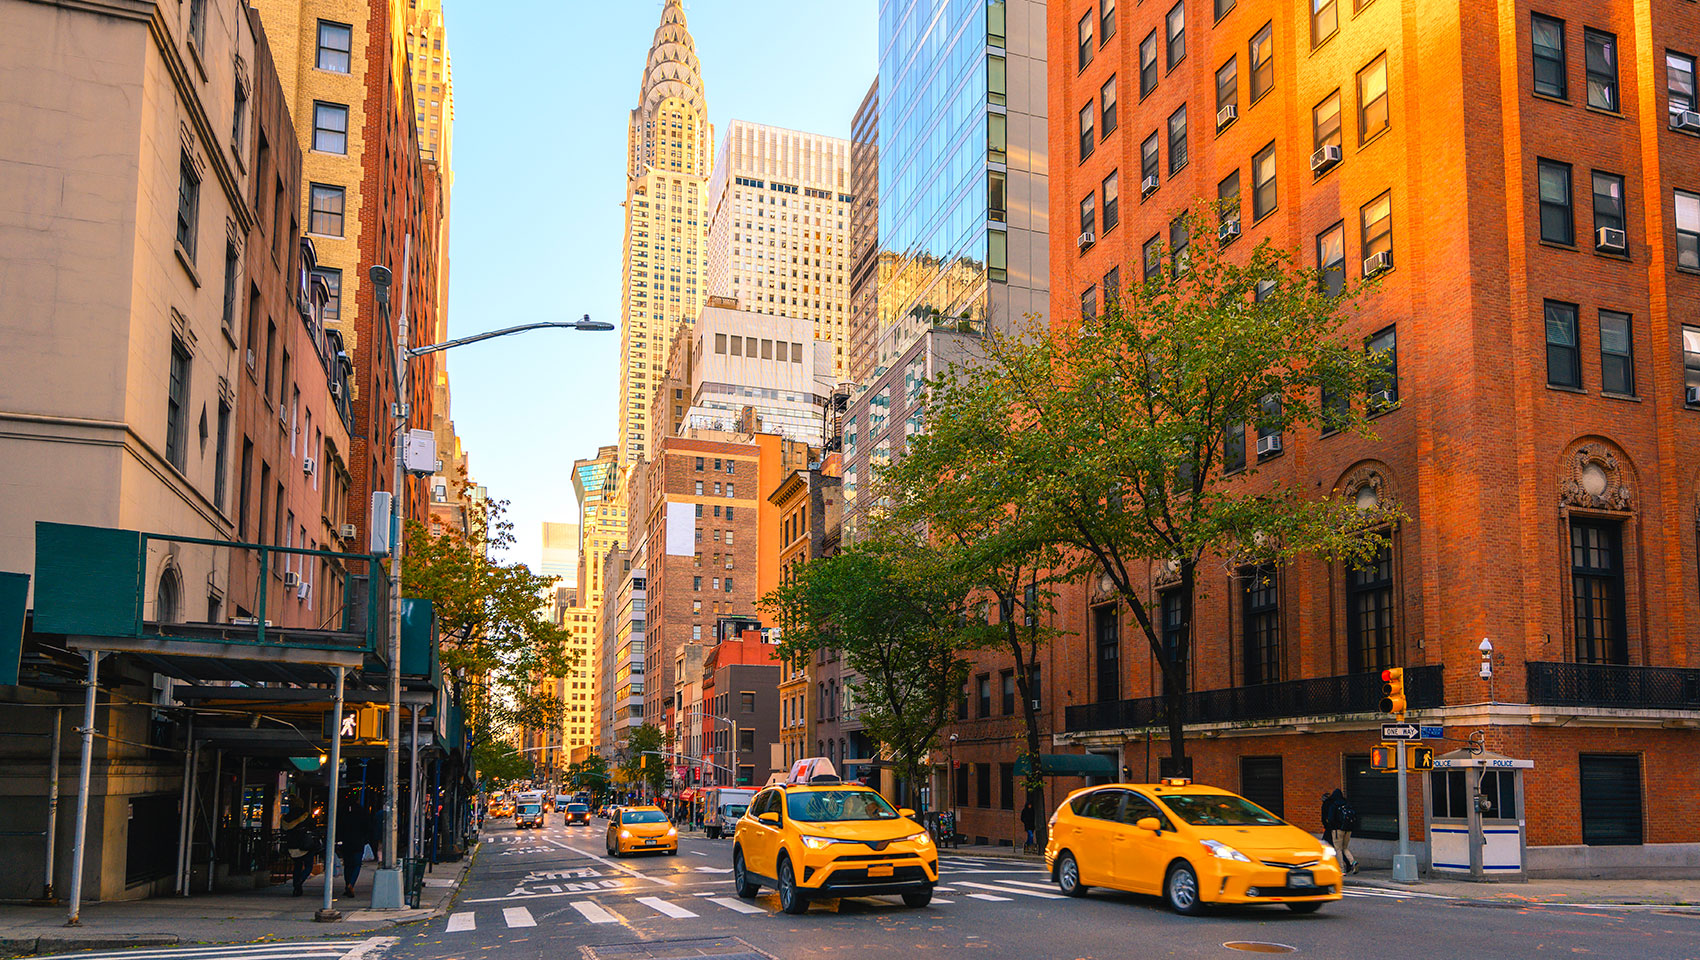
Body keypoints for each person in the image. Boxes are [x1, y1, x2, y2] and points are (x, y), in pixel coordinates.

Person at [281, 794, 321, 896]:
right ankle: (300, 881)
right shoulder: (305, 815)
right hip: (305, 844)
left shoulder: (287, 817)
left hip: (292, 845)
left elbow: (283, 830)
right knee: (308, 866)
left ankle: (296, 886)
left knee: (297, 866)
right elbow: (313, 826)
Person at [337, 792, 371, 899]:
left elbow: (338, 825)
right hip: (358, 840)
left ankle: (347, 883)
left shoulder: (342, 811)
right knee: (356, 864)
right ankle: (351, 884)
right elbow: (367, 826)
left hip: (345, 841)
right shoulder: (362, 811)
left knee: (347, 864)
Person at [1321, 788, 1359, 874]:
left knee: (1338, 849)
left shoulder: (1334, 805)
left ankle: (1341, 869)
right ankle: (1352, 862)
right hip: (1348, 830)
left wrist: (1331, 827)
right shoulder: (1346, 804)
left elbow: (1330, 818)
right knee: (1345, 848)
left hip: (1337, 830)